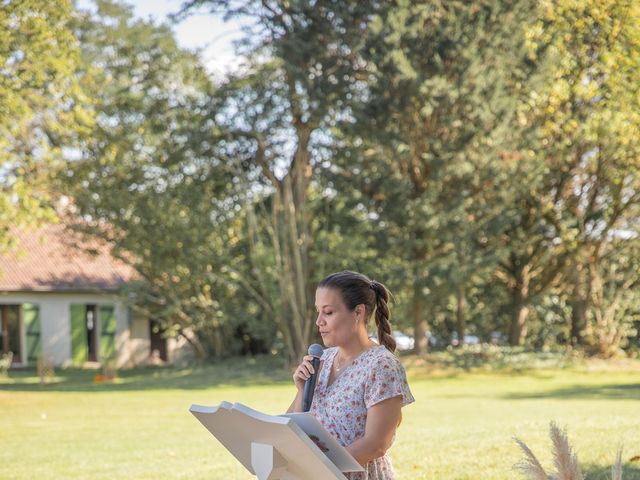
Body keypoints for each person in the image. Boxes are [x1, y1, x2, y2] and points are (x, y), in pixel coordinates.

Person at [287, 271, 415, 480]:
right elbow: (291, 428)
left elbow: (376, 445)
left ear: (358, 313)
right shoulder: (322, 359)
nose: (319, 321)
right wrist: (302, 392)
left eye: (328, 312)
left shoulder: (382, 366)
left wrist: (318, 469)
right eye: (318, 312)